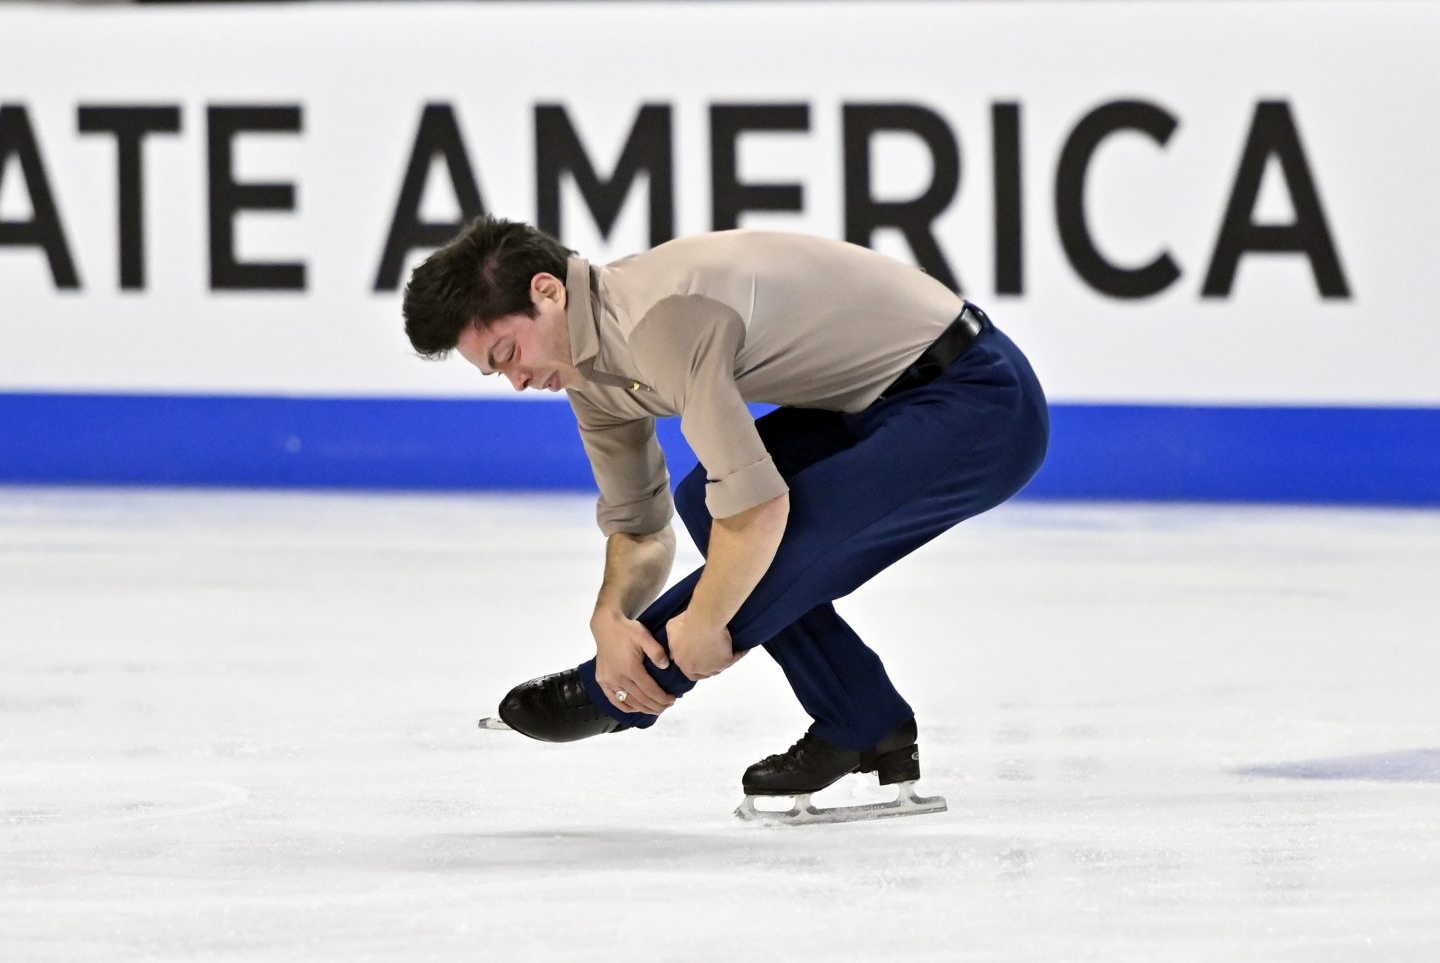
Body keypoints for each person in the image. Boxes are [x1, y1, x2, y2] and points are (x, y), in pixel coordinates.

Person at [401, 217, 1048, 821]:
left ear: (547, 292)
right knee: (699, 504)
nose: (514, 381)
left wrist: (704, 623)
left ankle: (616, 694)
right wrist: (610, 617)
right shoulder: (589, 371)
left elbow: (761, 508)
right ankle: (863, 721)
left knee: (771, 540)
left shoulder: (659, 319)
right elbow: (640, 526)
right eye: (497, 371)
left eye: (508, 352)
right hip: (875, 404)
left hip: (978, 401)